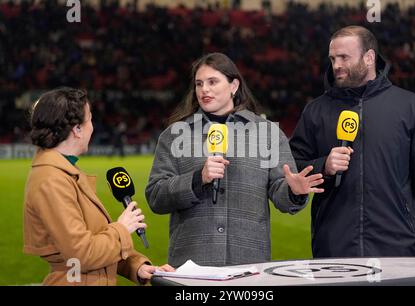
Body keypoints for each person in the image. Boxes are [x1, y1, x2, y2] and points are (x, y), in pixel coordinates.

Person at [145, 53, 324, 267]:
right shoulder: (174, 134)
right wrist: (197, 179)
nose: (204, 90)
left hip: (248, 264)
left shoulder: (267, 133)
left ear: (234, 85)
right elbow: (155, 196)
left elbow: (281, 195)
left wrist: (294, 191)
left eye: (213, 82)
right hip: (192, 264)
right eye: (199, 84)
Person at [289, 26, 415, 258]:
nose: (337, 65)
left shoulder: (409, 106)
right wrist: (325, 166)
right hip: (335, 249)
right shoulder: (316, 111)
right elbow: (294, 167)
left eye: (344, 57)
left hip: (399, 246)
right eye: (333, 58)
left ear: (369, 57)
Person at [23, 87, 174, 285]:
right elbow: (82, 255)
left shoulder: (65, 172)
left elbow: (99, 244)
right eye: (90, 119)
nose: (92, 127)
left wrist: (138, 267)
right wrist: (121, 228)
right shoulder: (51, 180)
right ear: (77, 129)